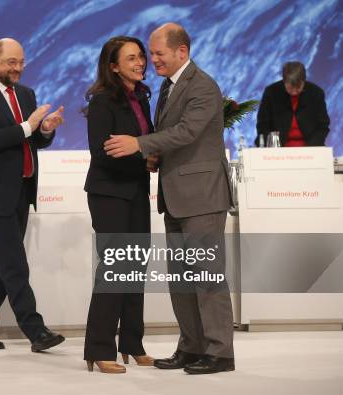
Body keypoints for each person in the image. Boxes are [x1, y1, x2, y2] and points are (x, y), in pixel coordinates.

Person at [104, 23, 235, 375]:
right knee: (181, 278)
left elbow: (188, 131)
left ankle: (220, 351)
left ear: (182, 52)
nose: (153, 60)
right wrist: (154, 158)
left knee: (206, 276)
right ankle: (192, 347)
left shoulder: (203, 86)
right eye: (151, 53)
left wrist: (140, 144)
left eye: (159, 53)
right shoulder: (167, 87)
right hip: (175, 196)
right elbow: (175, 139)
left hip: (203, 197)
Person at [0, 38, 66, 352]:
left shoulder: (26, 94)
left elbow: (32, 141)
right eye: (10, 63)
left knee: (4, 264)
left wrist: (45, 131)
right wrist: (27, 127)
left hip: (21, 190)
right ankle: (36, 330)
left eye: (20, 62)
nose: (17, 68)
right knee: (15, 263)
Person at [82, 36, 156, 374]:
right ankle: (98, 349)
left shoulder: (141, 97)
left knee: (136, 269)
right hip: (109, 193)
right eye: (131, 58)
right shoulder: (102, 102)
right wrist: (142, 155)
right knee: (115, 269)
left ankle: (132, 343)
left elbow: (139, 144)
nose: (140, 62)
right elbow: (103, 152)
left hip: (137, 190)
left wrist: (148, 156)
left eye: (141, 56)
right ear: (113, 66)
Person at [255, 61, 330, 147]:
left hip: (310, 147)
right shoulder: (271, 92)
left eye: (298, 87)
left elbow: (323, 126)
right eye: (290, 87)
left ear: (304, 81)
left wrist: (312, 147)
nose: (294, 91)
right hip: (277, 149)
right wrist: (272, 145)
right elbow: (262, 125)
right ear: (284, 81)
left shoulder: (316, 93)